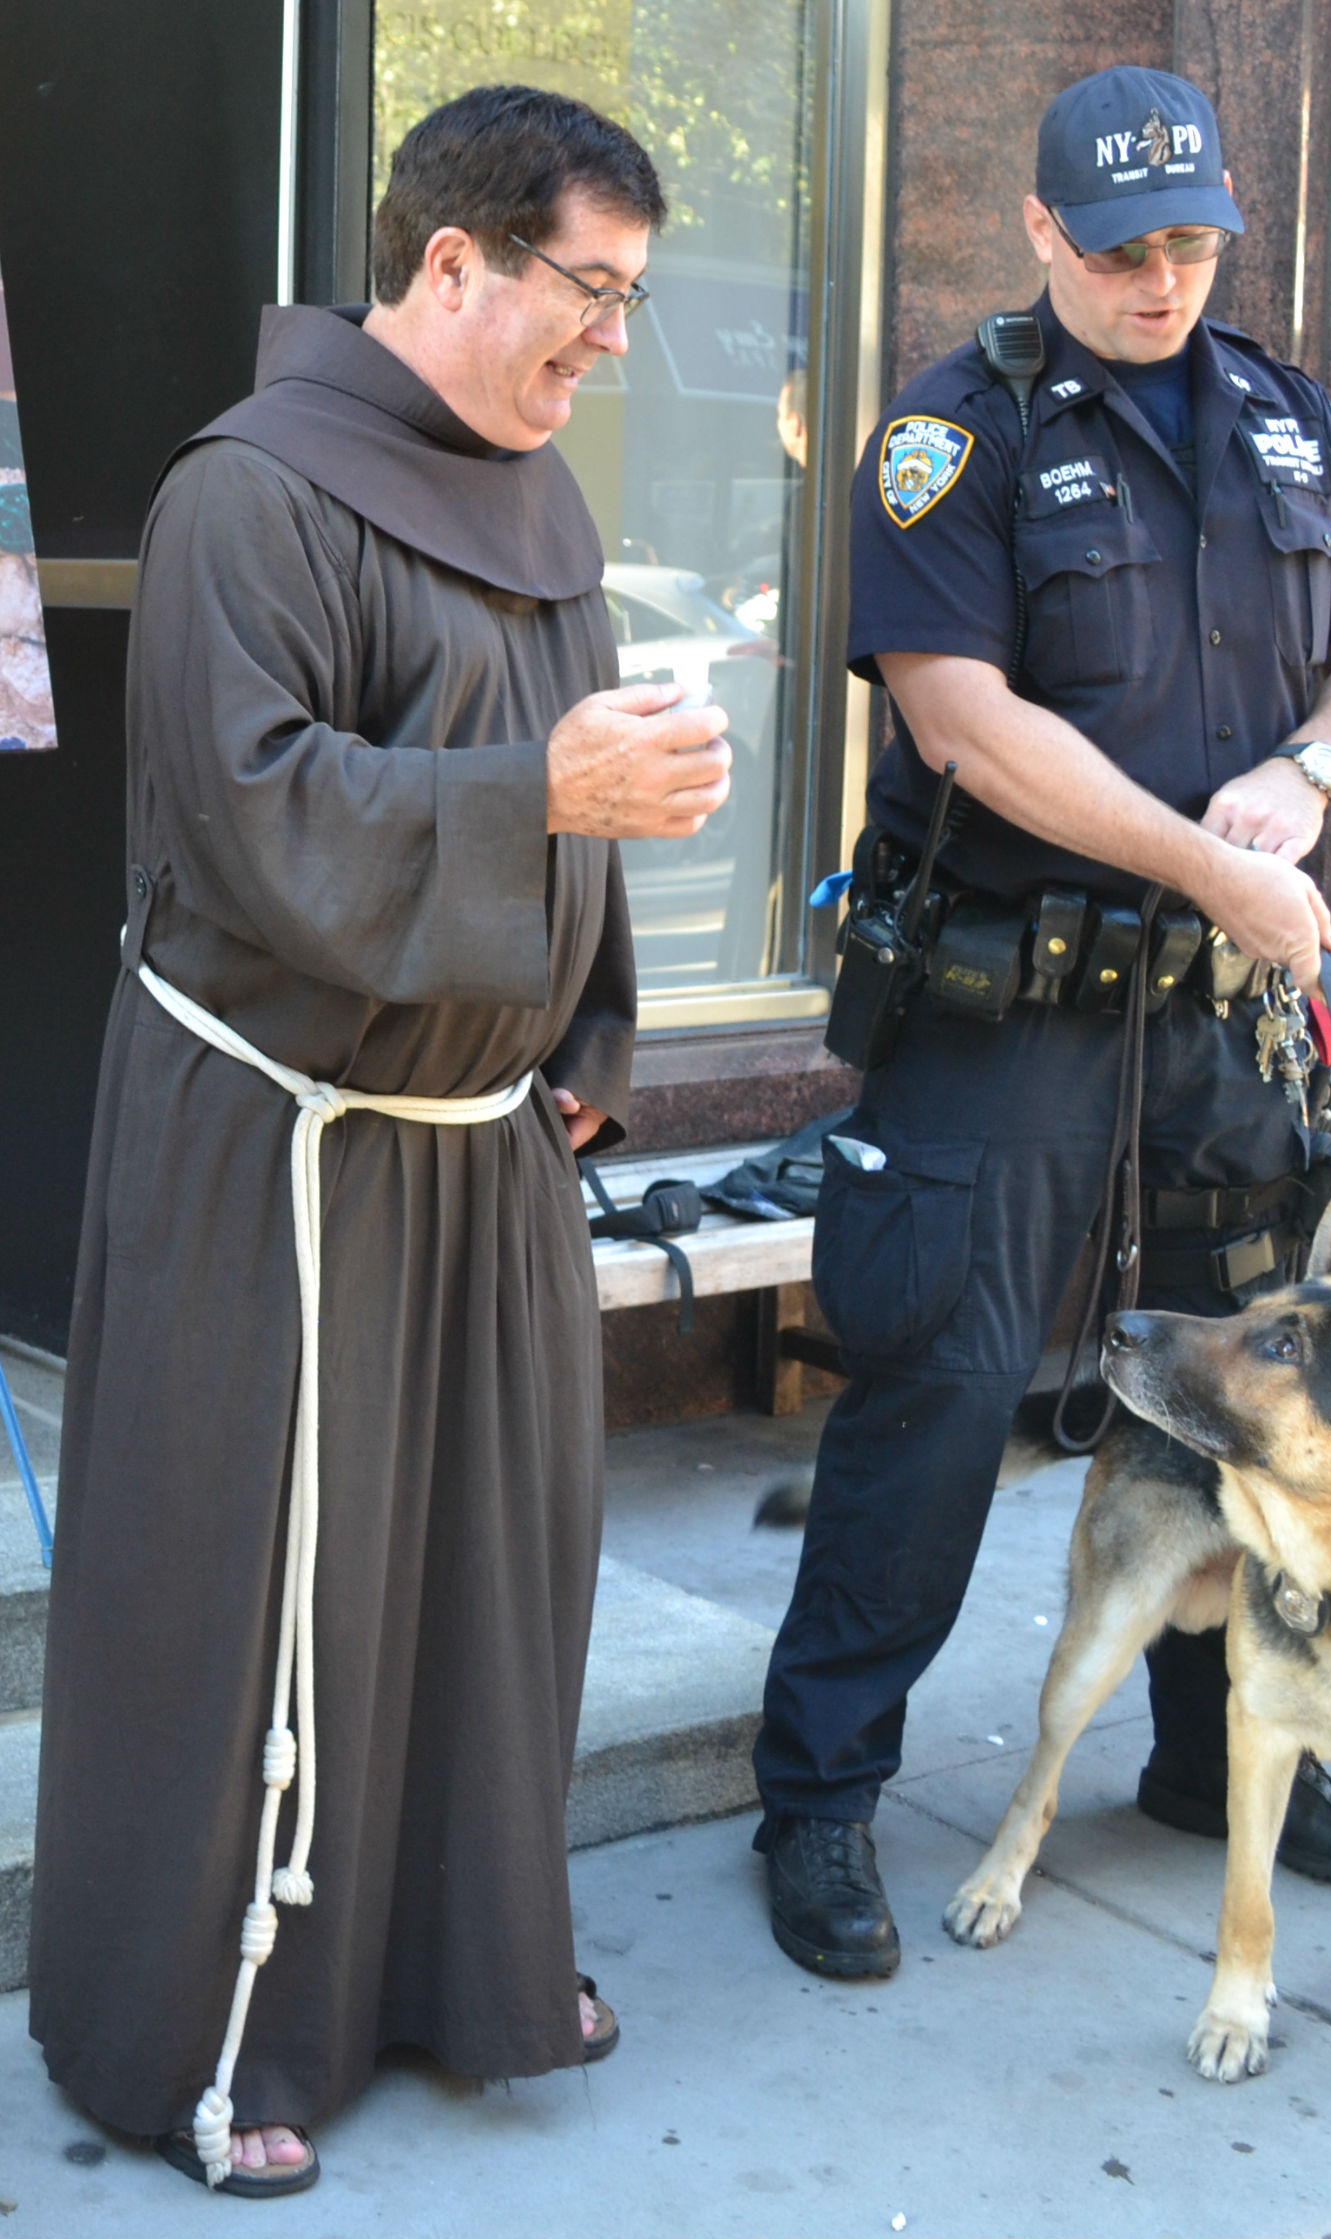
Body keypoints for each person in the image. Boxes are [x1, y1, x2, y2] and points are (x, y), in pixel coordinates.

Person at [29, 85, 731, 2191]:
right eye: (587, 295)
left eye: (627, 301)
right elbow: (257, 827)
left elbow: (581, 796)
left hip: (483, 1139)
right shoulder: (247, 497)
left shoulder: (540, 504)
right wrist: (544, 803)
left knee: (490, 1578)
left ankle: (461, 1966)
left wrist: (586, 1023)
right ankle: (201, 2029)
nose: (610, 345)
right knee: (256, 1594)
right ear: (452, 263)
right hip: (283, 1157)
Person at [752, 63, 1331, 1978]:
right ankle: (823, 1799)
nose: (1162, 278)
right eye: (1122, 246)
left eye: (1192, 241)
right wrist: (1210, 865)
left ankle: (1222, 1764)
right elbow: (965, 721)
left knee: (1250, 1409)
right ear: (1044, 230)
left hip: (1228, 1025)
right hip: (1003, 1012)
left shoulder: (1288, 420)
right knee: (941, 1400)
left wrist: (1306, 773)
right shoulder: (953, 437)